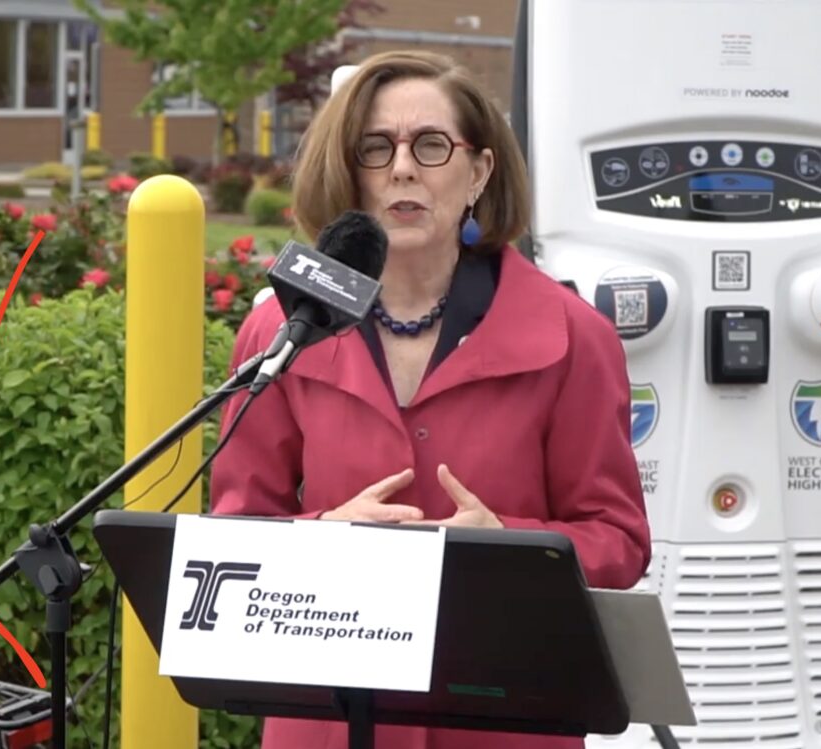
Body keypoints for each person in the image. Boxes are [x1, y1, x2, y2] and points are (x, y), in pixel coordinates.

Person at [209, 49, 651, 749]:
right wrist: (321, 534)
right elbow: (236, 525)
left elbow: (618, 539)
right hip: (327, 717)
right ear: (348, 172)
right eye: (375, 148)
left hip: (503, 715)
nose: (403, 168)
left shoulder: (574, 338)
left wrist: (509, 546)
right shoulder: (282, 328)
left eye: (432, 146)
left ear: (478, 172)